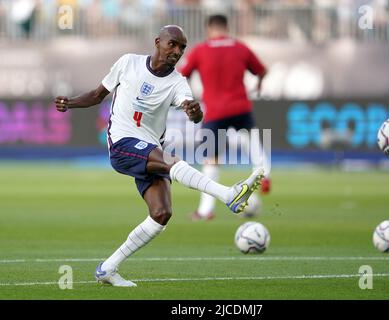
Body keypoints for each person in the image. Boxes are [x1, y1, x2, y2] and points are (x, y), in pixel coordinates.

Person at [54, 25, 264, 287]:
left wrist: (194, 112)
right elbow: (97, 95)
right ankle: (228, 195)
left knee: (161, 213)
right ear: (158, 42)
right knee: (171, 160)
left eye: (182, 48)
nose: (177, 51)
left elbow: (194, 113)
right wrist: (69, 103)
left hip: (149, 148)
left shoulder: (178, 82)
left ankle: (108, 268)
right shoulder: (128, 63)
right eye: (172, 44)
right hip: (122, 143)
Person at [179, 14, 271, 221]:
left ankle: (205, 210)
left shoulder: (200, 50)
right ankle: (264, 177)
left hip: (215, 112)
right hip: (240, 106)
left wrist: (185, 99)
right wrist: (259, 84)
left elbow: (182, 74)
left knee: (211, 161)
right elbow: (262, 70)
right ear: (226, 27)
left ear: (209, 29)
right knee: (252, 142)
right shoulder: (240, 47)